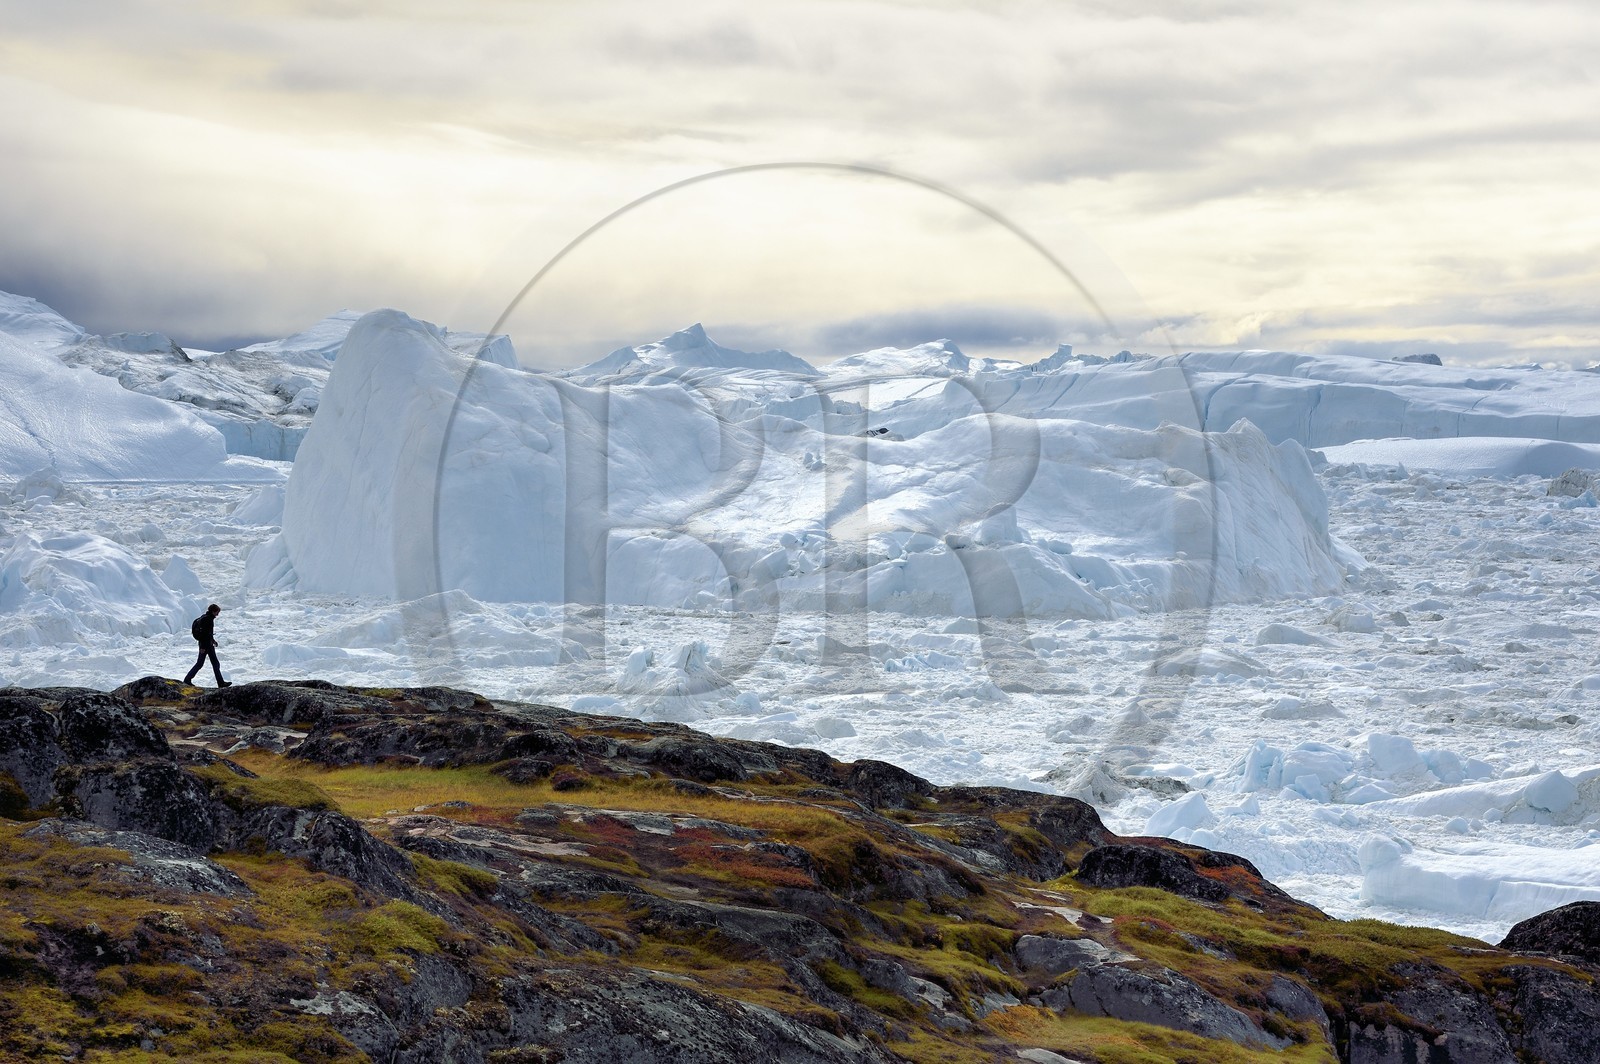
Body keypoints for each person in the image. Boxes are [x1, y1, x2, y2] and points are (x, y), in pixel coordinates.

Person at [184, 603, 232, 688]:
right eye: (217, 612)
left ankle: (188, 679)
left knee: (209, 663)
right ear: (213, 611)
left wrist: (213, 640)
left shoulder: (206, 617)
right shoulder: (208, 620)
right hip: (206, 645)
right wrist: (203, 647)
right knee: (207, 664)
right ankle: (187, 679)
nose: (218, 614)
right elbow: (204, 634)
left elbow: (208, 633)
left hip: (207, 644)